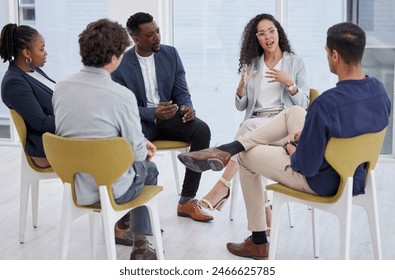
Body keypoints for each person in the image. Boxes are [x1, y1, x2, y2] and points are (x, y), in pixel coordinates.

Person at [178, 22, 391, 260]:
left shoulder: (327, 103)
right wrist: (310, 134)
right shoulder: (379, 91)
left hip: (324, 181)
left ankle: (258, 240)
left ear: (334, 54)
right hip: (356, 176)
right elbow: (353, 131)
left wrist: (291, 144)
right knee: (295, 114)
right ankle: (227, 149)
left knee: (246, 157)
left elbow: (306, 165)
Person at [53, 19, 159, 260]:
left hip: (77, 187)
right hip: (111, 190)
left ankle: (125, 229)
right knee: (149, 169)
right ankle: (141, 245)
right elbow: (137, 154)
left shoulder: (61, 87)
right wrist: (144, 148)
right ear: (114, 57)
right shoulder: (121, 95)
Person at [198, 14, 309, 233]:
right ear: (256, 39)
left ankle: (222, 185)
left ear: (278, 32)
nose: (267, 37)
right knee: (248, 135)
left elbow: (304, 105)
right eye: (261, 33)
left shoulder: (295, 62)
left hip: (282, 125)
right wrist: (241, 88)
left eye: (271, 31)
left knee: (245, 132)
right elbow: (242, 106)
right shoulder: (253, 64)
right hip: (257, 121)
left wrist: (291, 84)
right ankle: (265, 207)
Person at [111, 12, 212, 223]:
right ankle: (129, 209)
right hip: (140, 122)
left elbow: (181, 90)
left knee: (202, 130)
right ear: (135, 38)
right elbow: (121, 107)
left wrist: (186, 107)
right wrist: (151, 112)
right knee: (124, 144)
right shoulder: (121, 64)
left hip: (169, 117)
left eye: (157, 31)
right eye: (150, 34)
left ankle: (186, 200)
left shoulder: (170, 54)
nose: (157, 37)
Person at [0, 23, 54, 168]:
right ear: (27, 53)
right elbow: (40, 122)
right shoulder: (14, 83)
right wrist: (71, 120)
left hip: (60, 137)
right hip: (46, 148)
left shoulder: (34, 71)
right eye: (42, 49)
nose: (46, 53)